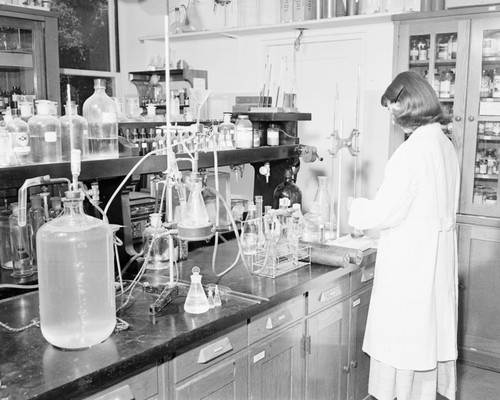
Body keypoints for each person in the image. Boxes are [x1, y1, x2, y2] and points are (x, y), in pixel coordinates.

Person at [348, 71, 460, 400]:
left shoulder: (411, 152)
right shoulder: (443, 143)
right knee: (425, 339)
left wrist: (355, 207)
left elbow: (386, 212)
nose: (392, 118)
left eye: (393, 109)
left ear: (409, 104)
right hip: (434, 258)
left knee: (403, 341)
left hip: (411, 262)